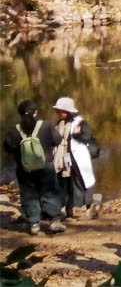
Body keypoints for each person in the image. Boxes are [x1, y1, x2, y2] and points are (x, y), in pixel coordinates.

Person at [3, 100, 66, 235]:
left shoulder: (14, 131)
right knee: (50, 192)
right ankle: (55, 220)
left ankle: (34, 223)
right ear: (35, 112)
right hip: (46, 165)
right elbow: (58, 140)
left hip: (24, 168)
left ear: (20, 114)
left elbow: (8, 148)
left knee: (29, 194)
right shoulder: (46, 126)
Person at [52, 96, 97, 220]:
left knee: (82, 182)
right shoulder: (61, 123)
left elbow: (87, 137)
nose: (57, 112)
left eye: (59, 110)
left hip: (78, 158)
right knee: (66, 182)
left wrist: (77, 135)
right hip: (65, 157)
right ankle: (69, 209)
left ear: (66, 111)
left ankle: (89, 209)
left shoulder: (80, 122)